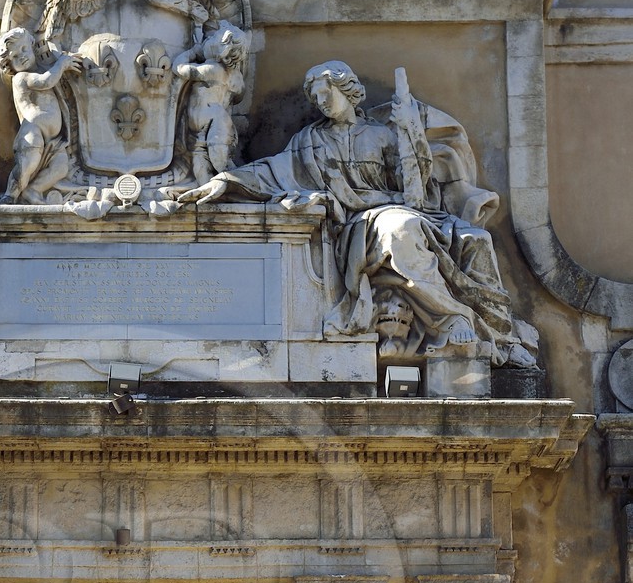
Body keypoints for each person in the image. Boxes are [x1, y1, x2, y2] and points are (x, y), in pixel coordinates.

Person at [180, 59, 537, 368]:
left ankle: (501, 334)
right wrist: (226, 181)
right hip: (359, 223)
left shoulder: (382, 135)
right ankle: (453, 318)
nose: (322, 102)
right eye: (316, 97)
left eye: (327, 93)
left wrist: (411, 132)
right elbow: (273, 171)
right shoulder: (309, 141)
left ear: (346, 90)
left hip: (399, 208)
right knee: (401, 231)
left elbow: (414, 191)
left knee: (476, 239)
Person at [0, 28, 84, 203]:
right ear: (9, 64)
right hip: (33, 132)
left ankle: (33, 190)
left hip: (54, 141)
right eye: (15, 56)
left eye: (24, 49)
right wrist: (62, 64)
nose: (22, 56)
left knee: (61, 168)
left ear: (32, 46)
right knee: (27, 164)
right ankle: (10, 195)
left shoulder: (41, 71)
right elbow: (46, 81)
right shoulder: (21, 78)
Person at [174, 22, 248, 184]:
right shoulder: (236, 77)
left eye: (212, 38)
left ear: (223, 49)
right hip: (209, 124)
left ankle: (237, 184)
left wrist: (194, 51)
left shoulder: (212, 69)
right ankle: (211, 190)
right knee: (201, 163)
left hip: (216, 124)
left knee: (220, 163)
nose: (207, 40)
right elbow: (239, 96)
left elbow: (179, 68)